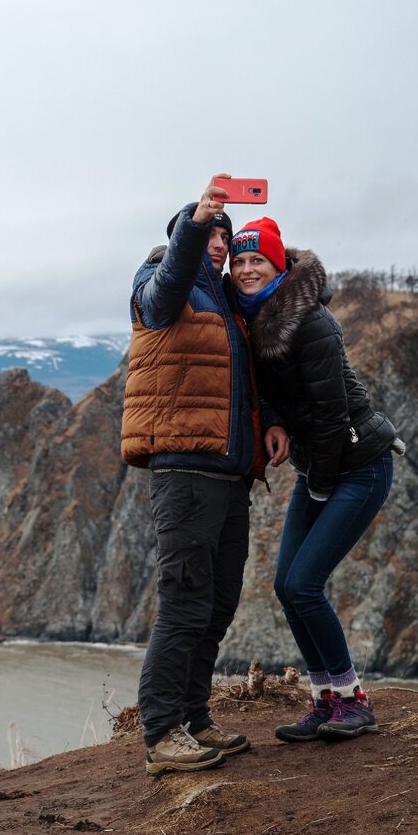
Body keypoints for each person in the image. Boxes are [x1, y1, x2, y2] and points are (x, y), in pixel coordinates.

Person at [121, 176, 287, 775]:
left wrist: (268, 421)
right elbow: (164, 296)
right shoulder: (159, 279)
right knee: (185, 605)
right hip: (185, 471)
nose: (219, 243)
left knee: (216, 605)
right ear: (186, 233)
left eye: (224, 234)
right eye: (210, 233)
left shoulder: (220, 303)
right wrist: (194, 226)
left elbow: (241, 380)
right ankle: (161, 733)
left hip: (228, 477)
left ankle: (194, 718)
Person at [228, 217, 401, 743]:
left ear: (280, 265)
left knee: (304, 585)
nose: (247, 268)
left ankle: (354, 701)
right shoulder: (252, 319)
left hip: (359, 465)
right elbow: (267, 389)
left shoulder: (312, 322)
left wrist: (321, 487)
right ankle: (325, 700)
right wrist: (275, 422)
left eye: (258, 259)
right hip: (319, 466)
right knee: (287, 585)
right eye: (239, 261)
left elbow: (331, 414)